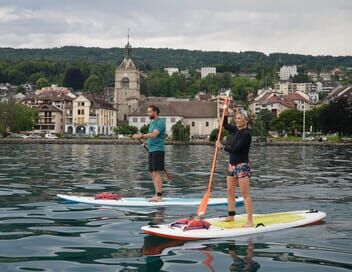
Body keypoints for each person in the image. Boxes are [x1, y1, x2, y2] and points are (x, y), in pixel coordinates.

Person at [216, 109, 254, 227]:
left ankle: (250, 221)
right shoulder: (236, 130)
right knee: (230, 191)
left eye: (239, 118)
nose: (237, 120)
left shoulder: (246, 134)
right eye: (236, 118)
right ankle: (231, 215)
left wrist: (222, 147)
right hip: (232, 166)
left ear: (246, 120)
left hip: (242, 166)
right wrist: (225, 112)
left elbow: (236, 149)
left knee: (244, 193)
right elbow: (225, 125)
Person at [133, 105, 166, 202]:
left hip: (158, 149)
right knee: (151, 173)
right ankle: (156, 194)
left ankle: (159, 196)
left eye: (150, 112)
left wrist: (141, 135)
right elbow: (150, 137)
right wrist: (145, 143)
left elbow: (154, 134)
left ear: (155, 112)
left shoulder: (160, 122)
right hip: (151, 149)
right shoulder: (152, 123)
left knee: (156, 172)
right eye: (148, 112)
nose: (148, 114)